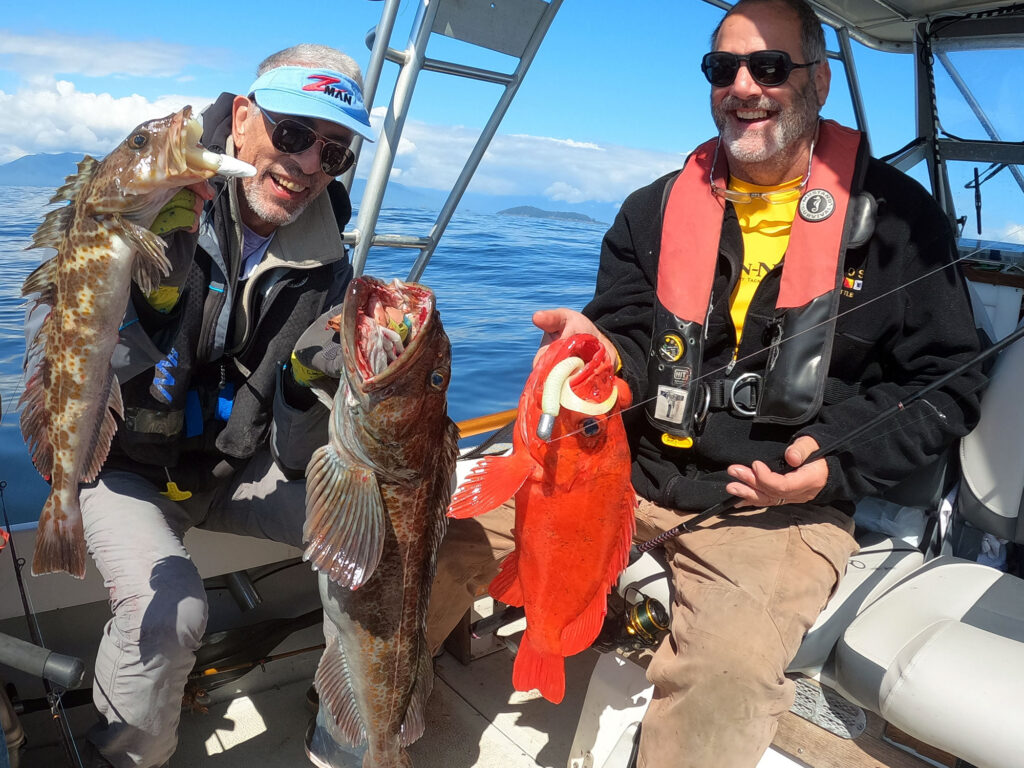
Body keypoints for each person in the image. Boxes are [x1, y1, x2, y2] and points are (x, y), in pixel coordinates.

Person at [424, 0, 986, 766]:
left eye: (770, 67)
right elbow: (624, 330)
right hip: (624, 471)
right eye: (724, 69)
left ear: (818, 81)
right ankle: (365, 712)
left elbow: (945, 385)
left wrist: (833, 462)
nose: (744, 86)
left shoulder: (900, 223)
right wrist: (600, 349)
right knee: (425, 539)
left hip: (776, 509)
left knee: (722, 675)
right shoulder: (649, 212)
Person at [66, 43, 374, 768]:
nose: (306, 168)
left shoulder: (330, 265)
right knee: (171, 610)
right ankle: (127, 756)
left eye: (334, 152)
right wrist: (143, 294)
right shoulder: (141, 197)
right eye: (293, 134)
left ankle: (343, 741)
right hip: (125, 466)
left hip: (236, 469)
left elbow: (299, 457)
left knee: (371, 543)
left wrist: (306, 385)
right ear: (242, 119)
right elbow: (60, 334)